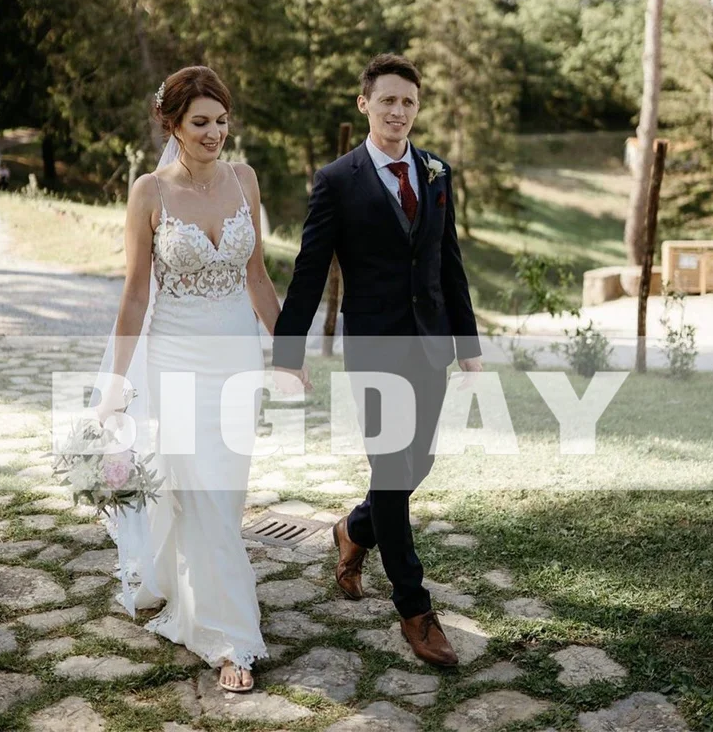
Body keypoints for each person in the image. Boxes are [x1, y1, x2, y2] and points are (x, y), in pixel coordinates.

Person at [272, 53, 483, 667]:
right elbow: (310, 271)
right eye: (387, 100)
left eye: (409, 102)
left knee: (418, 462)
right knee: (393, 471)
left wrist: (467, 345)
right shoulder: (337, 179)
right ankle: (416, 611)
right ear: (364, 104)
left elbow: (450, 262)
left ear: (418, 109)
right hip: (374, 350)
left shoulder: (437, 174)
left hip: (431, 345)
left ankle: (353, 531)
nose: (398, 111)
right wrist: (289, 352)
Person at [97, 65, 280, 692]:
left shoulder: (245, 181)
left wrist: (286, 350)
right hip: (176, 360)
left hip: (237, 360)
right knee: (198, 489)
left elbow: (257, 276)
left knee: (223, 494)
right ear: (171, 123)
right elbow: (133, 296)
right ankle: (229, 638)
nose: (214, 133)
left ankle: (189, 585)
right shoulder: (149, 193)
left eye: (222, 121)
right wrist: (116, 381)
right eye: (200, 122)